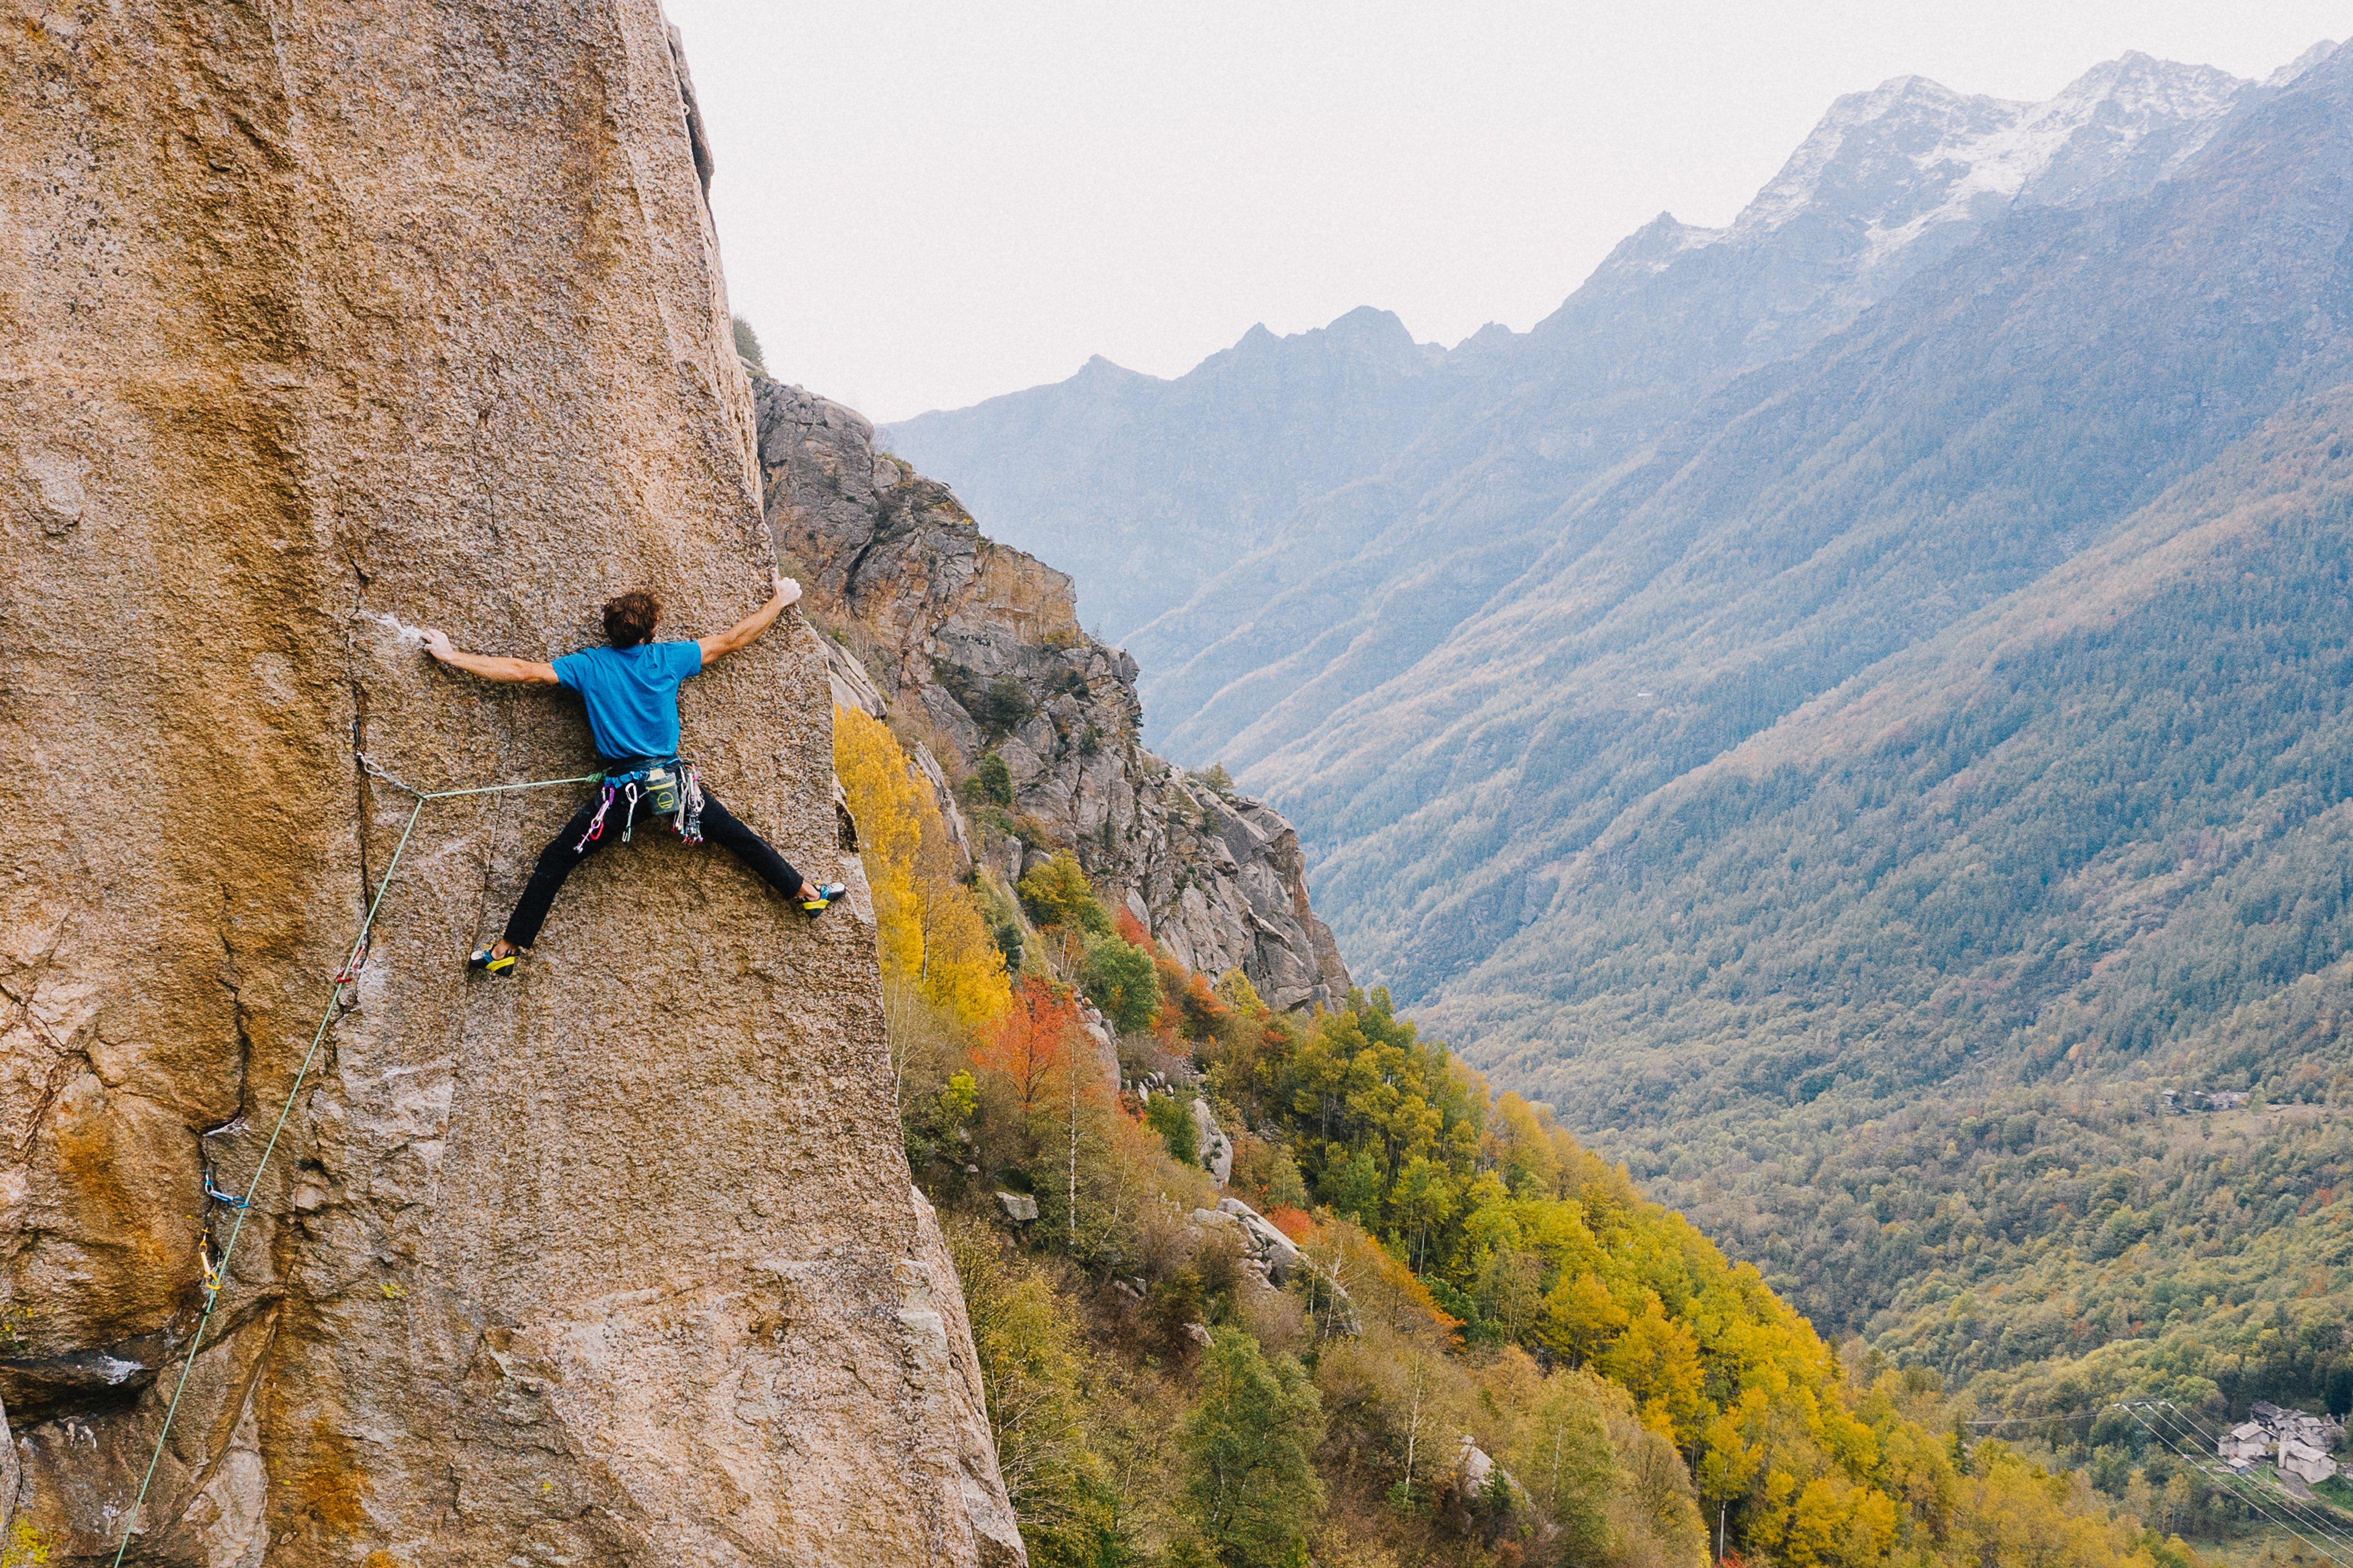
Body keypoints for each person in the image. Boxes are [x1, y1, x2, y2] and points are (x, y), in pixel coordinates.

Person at [420, 572, 845, 975]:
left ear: (609, 630)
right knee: (736, 836)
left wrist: (451, 655)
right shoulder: (667, 658)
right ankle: (806, 893)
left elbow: (522, 671)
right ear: (652, 630)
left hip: (622, 794)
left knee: (556, 860)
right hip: (676, 786)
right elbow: (734, 639)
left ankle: (505, 951)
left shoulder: (589, 666)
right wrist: (781, 599)